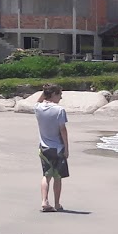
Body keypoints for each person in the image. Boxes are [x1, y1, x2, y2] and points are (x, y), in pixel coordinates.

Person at [35, 83, 69, 213]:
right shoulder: (59, 110)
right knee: (58, 177)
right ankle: (57, 203)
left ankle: (44, 201)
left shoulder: (38, 108)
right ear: (54, 94)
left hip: (44, 147)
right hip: (58, 148)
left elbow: (39, 100)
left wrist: (45, 91)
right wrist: (67, 148)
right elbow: (63, 130)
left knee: (46, 175)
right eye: (59, 94)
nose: (61, 97)